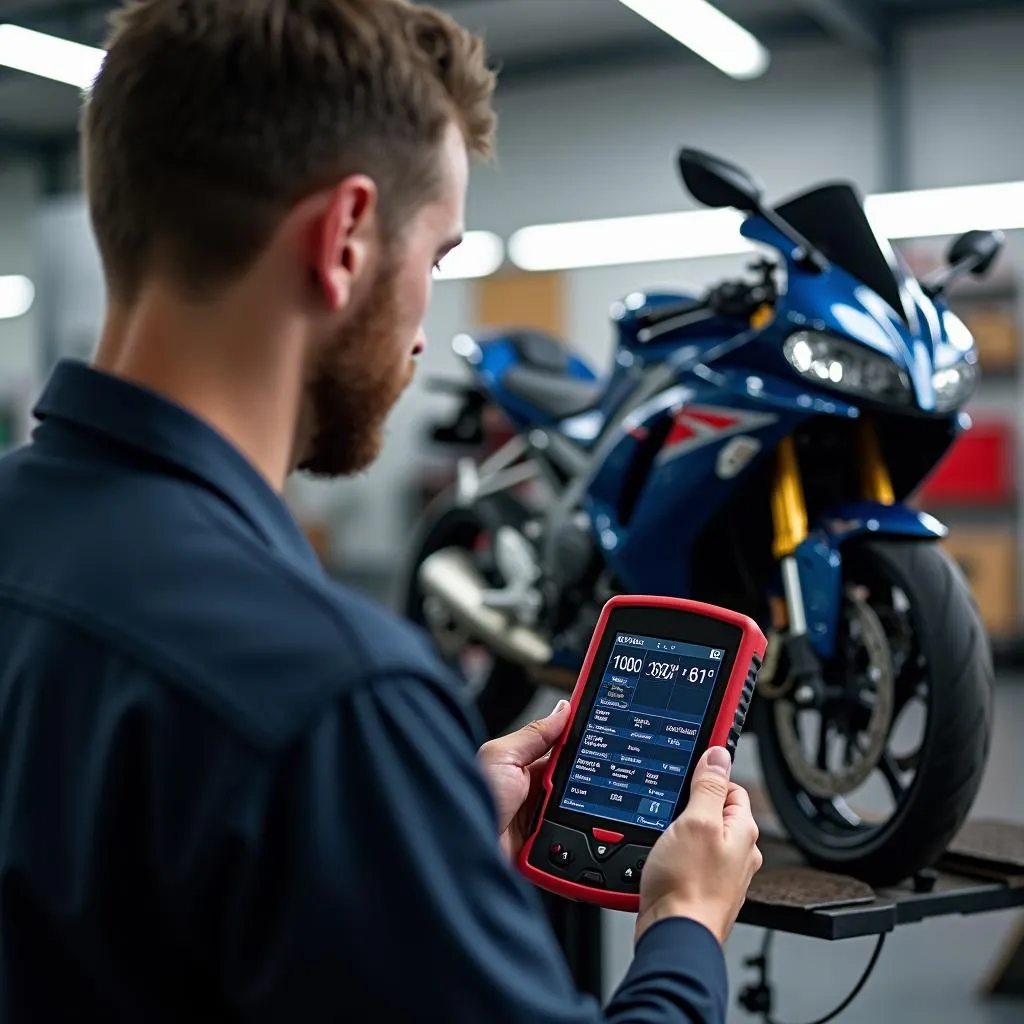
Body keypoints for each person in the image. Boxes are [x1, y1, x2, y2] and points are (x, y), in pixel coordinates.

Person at [0, 1, 762, 1021]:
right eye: (438, 258)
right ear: (345, 238)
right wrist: (684, 925)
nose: (424, 325)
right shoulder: (331, 700)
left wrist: (416, 833)